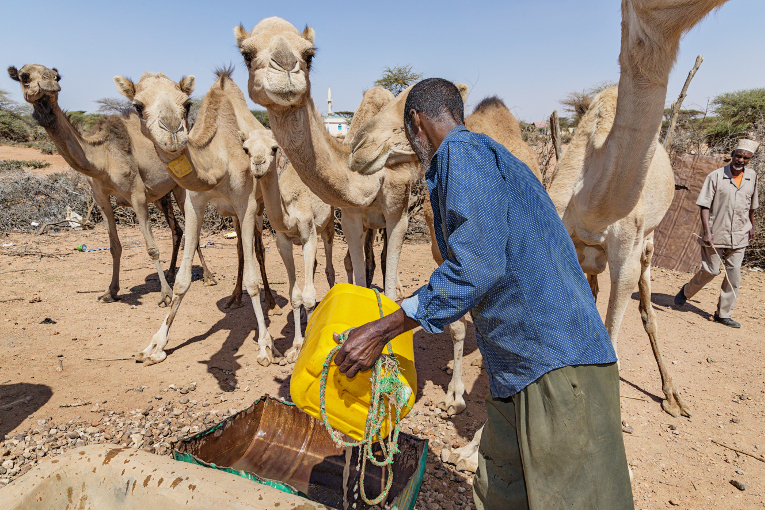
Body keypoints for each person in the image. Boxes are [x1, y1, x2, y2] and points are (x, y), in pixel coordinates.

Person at [333, 78, 634, 510]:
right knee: (499, 492)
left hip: (558, 367)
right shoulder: (497, 159)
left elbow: (476, 266)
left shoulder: (463, 156)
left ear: (416, 123)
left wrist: (383, 329)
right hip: (521, 370)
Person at [674, 139, 760, 328]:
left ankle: (723, 314)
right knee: (711, 270)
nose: (741, 160)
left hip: (740, 233)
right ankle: (686, 291)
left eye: (746, 158)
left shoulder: (752, 176)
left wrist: (752, 226)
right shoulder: (716, 176)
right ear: (732, 154)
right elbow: (704, 205)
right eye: (738, 155)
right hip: (715, 232)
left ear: (750, 159)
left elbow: (752, 206)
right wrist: (707, 232)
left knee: (734, 275)